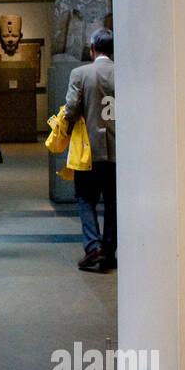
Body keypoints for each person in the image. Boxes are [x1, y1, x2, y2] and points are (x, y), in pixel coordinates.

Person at [65, 28, 116, 273]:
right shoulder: (124, 73)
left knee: (85, 197)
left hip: (88, 150)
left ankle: (93, 245)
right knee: (113, 201)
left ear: (92, 49)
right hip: (119, 150)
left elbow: (72, 109)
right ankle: (108, 250)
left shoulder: (80, 73)